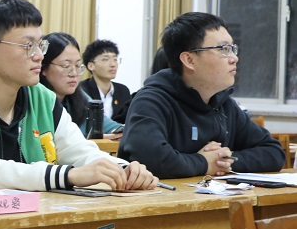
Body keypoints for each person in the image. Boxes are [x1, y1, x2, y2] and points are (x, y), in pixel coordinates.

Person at [0, 0, 157, 192]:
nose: (39, 55)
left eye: (40, 45)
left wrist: (122, 169)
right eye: (28, 46)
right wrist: (66, 175)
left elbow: (78, 150)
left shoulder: (41, 97)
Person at [118, 12, 285, 179]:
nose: (234, 58)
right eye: (224, 49)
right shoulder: (151, 101)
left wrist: (224, 161)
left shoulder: (224, 104)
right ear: (189, 60)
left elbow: (274, 152)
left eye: (232, 49)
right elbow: (151, 159)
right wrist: (204, 162)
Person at [39, 32, 123, 138]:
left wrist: (119, 132)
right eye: (66, 66)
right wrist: (91, 140)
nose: (74, 73)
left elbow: (109, 126)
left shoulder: (80, 97)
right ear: (43, 67)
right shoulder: (35, 99)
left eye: (78, 65)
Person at [80, 39, 131, 123]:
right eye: (105, 59)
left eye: (115, 59)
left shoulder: (123, 91)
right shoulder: (82, 90)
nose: (113, 64)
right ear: (91, 66)